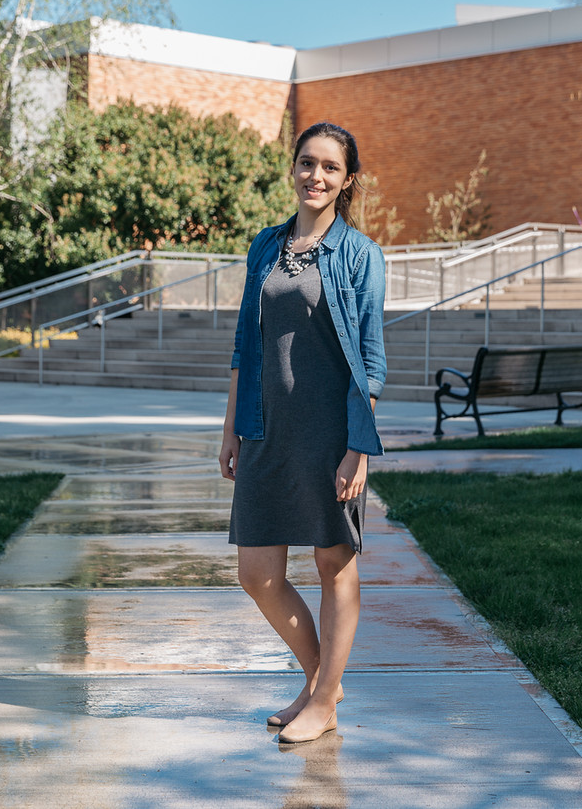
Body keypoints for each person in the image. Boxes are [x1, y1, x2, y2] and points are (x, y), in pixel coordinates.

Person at [218, 122, 386, 745]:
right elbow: (245, 343)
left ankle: (321, 700)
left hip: (331, 432)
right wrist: (232, 427)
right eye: (307, 163)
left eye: (330, 168)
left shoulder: (361, 255)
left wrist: (358, 449)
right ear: (292, 169)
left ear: (347, 181)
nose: (316, 176)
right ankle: (323, 685)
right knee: (257, 571)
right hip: (264, 428)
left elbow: (370, 359)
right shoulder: (265, 246)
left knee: (333, 563)